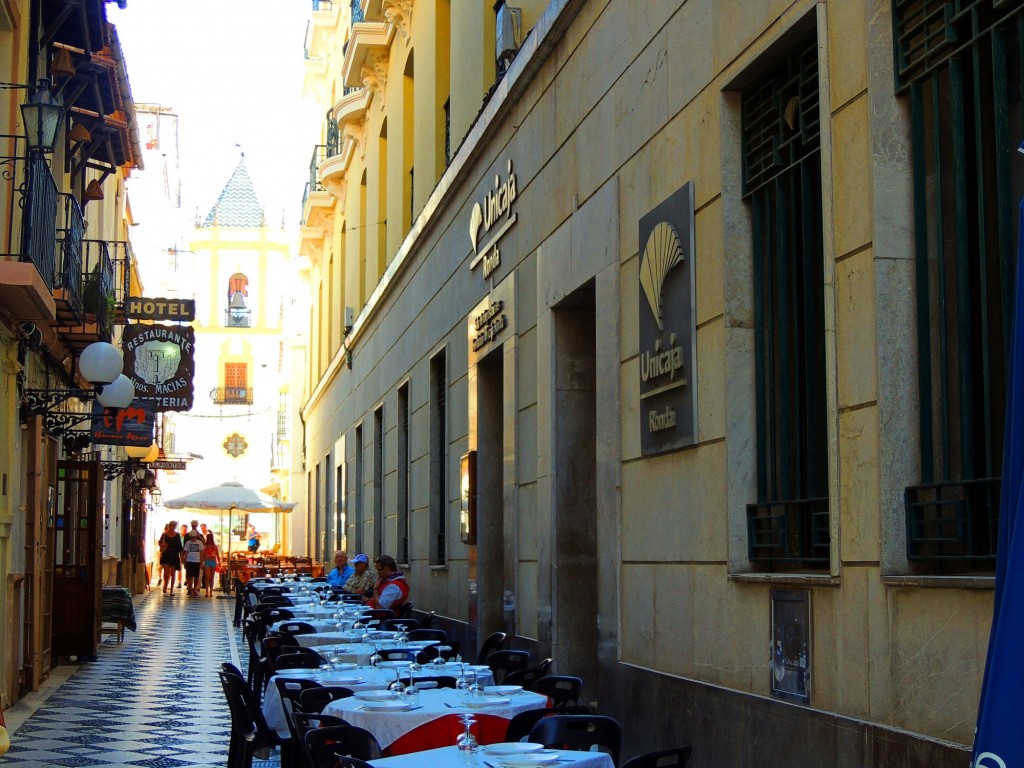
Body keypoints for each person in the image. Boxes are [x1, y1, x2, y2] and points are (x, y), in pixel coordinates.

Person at [158, 521, 183, 595]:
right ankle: (165, 585)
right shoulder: (164, 534)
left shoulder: (177, 535)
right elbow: (160, 543)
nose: (174, 527)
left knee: (173, 572)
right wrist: (163, 546)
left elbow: (179, 546)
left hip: (174, 554)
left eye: (175, 525)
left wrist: (182, 557)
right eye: (173, 525)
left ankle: (172, 589)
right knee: (166, 572)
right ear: (169, 525)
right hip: (166, 554)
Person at [181, 528, 204, 596]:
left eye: (193, 537)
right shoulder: (188, 543)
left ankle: (195, 589)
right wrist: (184, 561)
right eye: (191, 537)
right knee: (189, 576)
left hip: (197, 561)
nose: (192, 538)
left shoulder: (199, 543)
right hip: (189, 561)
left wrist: (201, 562)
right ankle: (191, 589)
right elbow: (186, 552)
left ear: (196, 536)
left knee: (196, 576)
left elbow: (201, 553)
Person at [202, 533, 220, 597]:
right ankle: (207, 592)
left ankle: (211, 592)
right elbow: (203, 555)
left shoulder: (215, 547)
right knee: (207, 577)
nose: (209, 539)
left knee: (211, 577)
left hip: (213, 561)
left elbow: (217, 555)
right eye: (208, 538)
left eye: (210, 538)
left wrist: (219, 562)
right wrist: (203, 562)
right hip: (207, 561)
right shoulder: (205, 547)